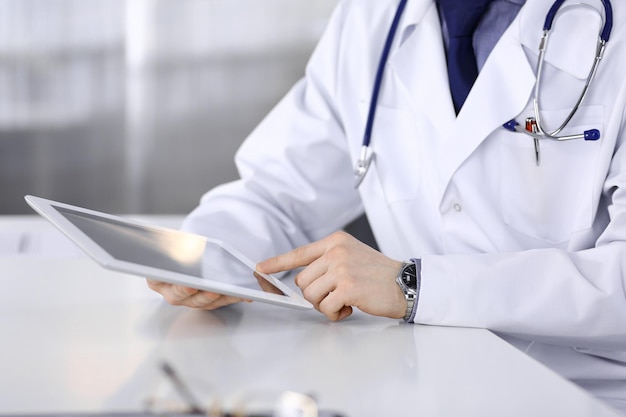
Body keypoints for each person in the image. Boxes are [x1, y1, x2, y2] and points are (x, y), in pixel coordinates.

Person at [147, 0, 626, 413]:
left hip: (579, 390)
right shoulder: (376, 16)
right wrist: (206, 255)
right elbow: (277, 191)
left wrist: (414, 285)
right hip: (417, 380)